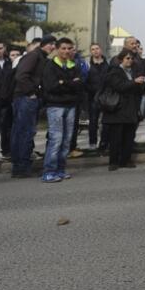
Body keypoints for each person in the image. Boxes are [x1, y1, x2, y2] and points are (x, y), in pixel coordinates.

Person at [10, 35, 56, 179]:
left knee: (23, 132)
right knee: (25, 132)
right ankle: (21, 167)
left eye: (54, 44)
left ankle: (21, 166)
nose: (53, 47)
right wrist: (31, 92)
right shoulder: (34, 56)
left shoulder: (40, 57)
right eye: (51, 44)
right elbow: (21, 75)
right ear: (43, 44)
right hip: (25, 99)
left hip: (27, 98)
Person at [39, 38, 83, 183]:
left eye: (69, 48)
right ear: (57, 49)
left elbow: (79, 85)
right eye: (63, 48)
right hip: (55, 106)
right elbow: (51, 86)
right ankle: (49, 172)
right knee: (56, 139)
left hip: (71, 106)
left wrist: (63, 82)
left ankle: (60, 169)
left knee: (66, 140)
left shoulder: (74, 65)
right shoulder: (50, 65)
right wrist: (69, 83)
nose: (66, 51)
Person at [100, 48, 145, 170]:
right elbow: (119, 86)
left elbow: (138, 90)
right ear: (121, 59)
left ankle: (125, 160)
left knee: (129, 136)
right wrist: (134, 82)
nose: (130, 60)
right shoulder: (114, 71)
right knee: (116, 137)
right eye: (127, 58)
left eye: (132, 58)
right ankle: (113, 162)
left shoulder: (134, 72)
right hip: (118, 109)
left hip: (131, 108)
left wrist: (141, 84)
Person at [85, 43, 110, 151]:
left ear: (101, 50)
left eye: (97, 48)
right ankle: (92, 143)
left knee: (106, 121)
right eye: (93, 49)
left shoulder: (107, 64)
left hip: (105, 97)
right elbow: (85, 80)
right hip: (93, 97)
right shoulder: (87, 65)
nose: (95, 51)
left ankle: (104, 142)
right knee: (93, 121)